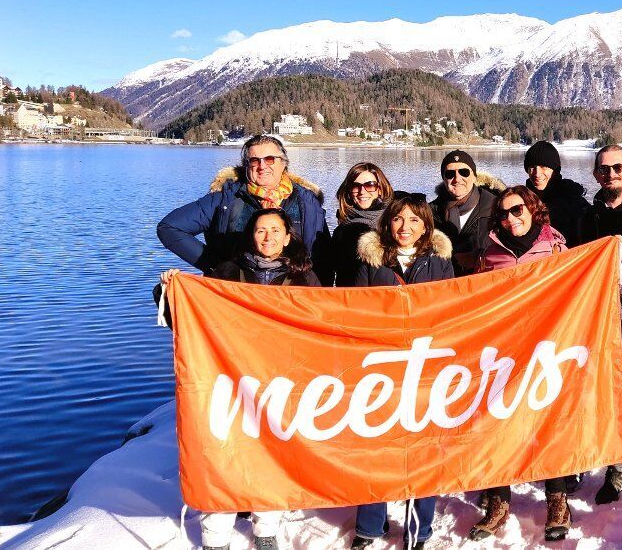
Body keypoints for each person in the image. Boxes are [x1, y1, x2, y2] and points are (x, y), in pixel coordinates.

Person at [160, 208, 320, 550]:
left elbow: (320, 327)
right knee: (225, 455)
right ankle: (216, 535)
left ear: (288, 237)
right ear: (251, 235)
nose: (268, 238)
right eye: (261, 230)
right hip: (232, 381)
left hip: (281, 382)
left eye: (275, 231)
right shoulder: (228, 273)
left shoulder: (305, 278)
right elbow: (194, 320)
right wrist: (172, 293)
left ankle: (265, 529)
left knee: (274, 457)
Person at [348, 195, 453, 550]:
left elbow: (455, 312)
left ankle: (418, 529)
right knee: (377, 447)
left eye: (414, 221)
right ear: (387, 223)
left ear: (426, 226)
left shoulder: (439, 262)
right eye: (397, 220)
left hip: (426, 368)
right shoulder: (370, 261)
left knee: (422, 449)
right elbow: (357, 311)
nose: (404, 228)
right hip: (381, 367)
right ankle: (369, 526)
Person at [469, 186, 574, 543]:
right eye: (503, 213)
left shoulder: (555, 247)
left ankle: (557, 500)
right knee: (498, 421)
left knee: (546, 423)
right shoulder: (491, 252)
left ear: (533, 209)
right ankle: (498, 502)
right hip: (503, 352)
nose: (510, 219)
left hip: (545, 348)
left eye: (517, 211)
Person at [157, 135, 331, 282]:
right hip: (238, 294)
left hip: (292, 295)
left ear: (283, 163)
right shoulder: (226, 197)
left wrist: (320, 294)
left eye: (270, 159)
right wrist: (215, 266)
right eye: (254, 160)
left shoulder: (307, 202)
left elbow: (322, 256)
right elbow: (170, 228)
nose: (262, 166)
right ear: (246, 166)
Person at [583, 144, 622, 505]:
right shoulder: (587, 216)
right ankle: (614, 466)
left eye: (618, 167)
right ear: (595, 175)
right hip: (599, 318)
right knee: (609, 396)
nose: (611, 174)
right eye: (604, 169)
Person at [429, 150, 505, 276]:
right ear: (443, 178)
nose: (457, 179)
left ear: (474, 176)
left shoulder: (497, 208)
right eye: (450, 174)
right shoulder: (430, 213)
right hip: (446, 283)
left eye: (464, 172)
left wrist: (480, 257)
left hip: (484, 282)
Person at [332, 162, 395, 286]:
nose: (362, 191)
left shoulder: (393, 222)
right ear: (349, 191)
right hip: (352, 298)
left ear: (380, 189)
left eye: (370, 185)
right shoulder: (341, 231)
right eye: (356, 186)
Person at [523, 140, 591, 248]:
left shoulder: (575, 202)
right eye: (532, 167)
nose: (537, 173)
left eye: (543, 167)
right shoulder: (521, 201)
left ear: (556, 170)